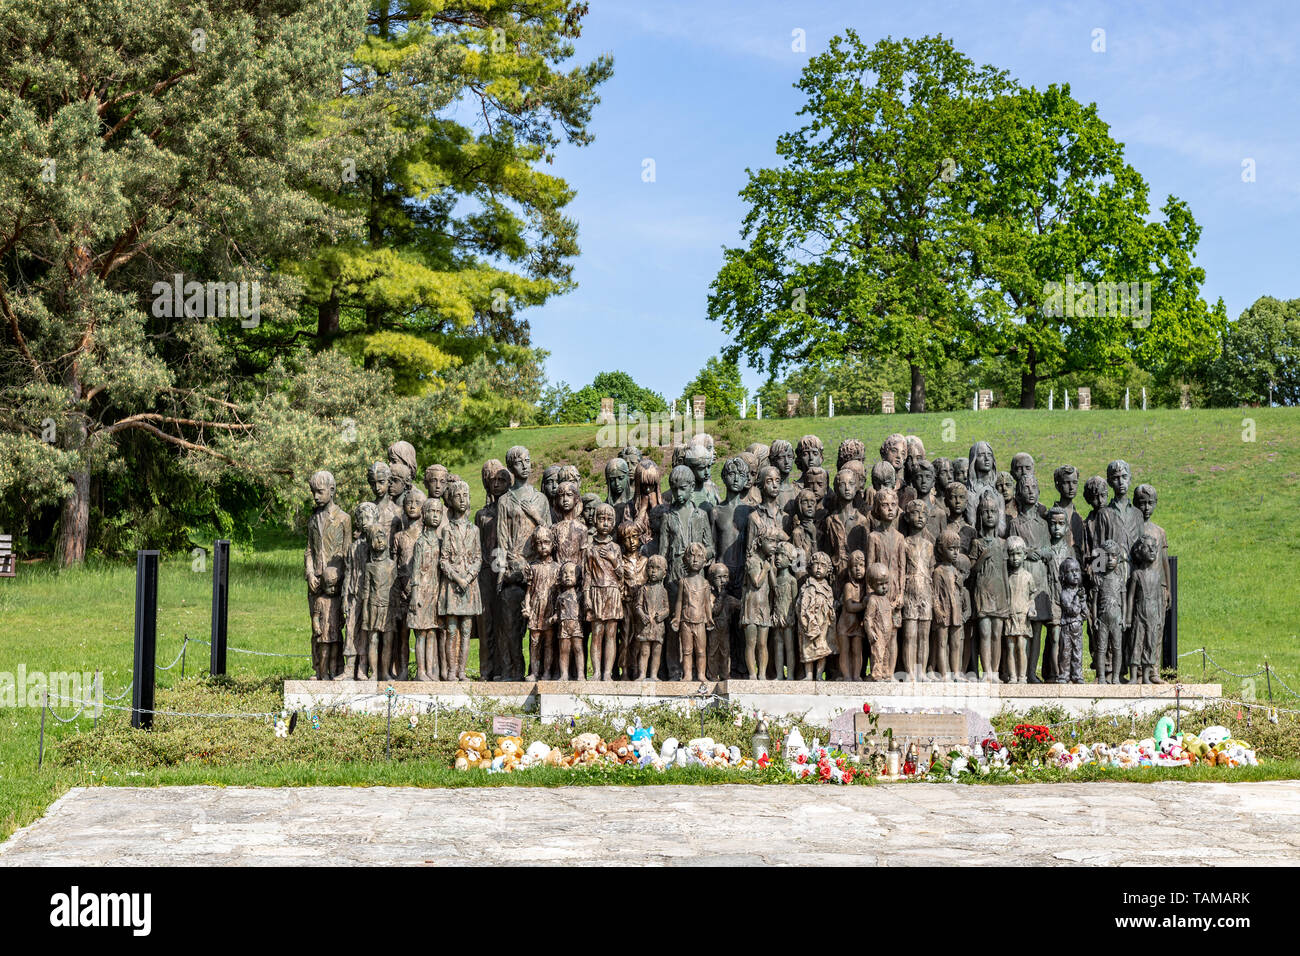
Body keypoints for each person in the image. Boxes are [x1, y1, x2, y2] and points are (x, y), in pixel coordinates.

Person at [305, 470, 351, 680]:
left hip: (336, 582)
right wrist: (309, 572)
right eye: (313, 492)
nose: (315, 496)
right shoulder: (313, 519)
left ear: (332, 491)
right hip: (315, 581)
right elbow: (309, 550)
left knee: (335, 626)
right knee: (318, 627)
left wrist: (337, 576)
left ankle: (338, 668)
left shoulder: (344, 519)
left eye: (320, 492)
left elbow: (346, 550)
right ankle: (319, 669)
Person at [439, 480, 482, 682]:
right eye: (458, 496)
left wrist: (469, 577)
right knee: (452, 631)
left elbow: (478, 558)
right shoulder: (448, 530)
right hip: (452, 585)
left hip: (469, 586)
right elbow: (443, 560)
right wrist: (457, 578)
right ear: (451, 501)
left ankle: (462, 671)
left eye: (465, 496)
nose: (462, 500)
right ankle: (451, 671)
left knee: (466, 630)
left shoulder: (474, 530)